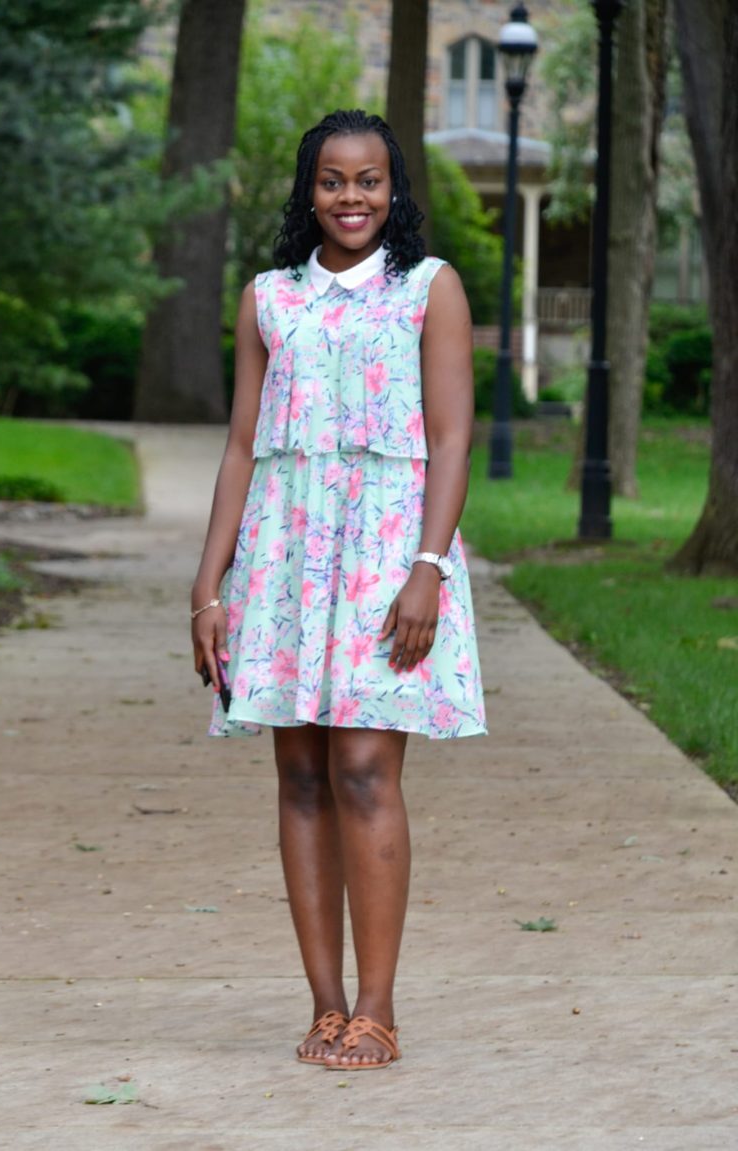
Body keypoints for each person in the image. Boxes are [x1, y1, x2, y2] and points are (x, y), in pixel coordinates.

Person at [190, 109, 486, 1071]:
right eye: (332, 180)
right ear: (308, 190)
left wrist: (428, 567)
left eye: (368, 180)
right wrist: (208, 586)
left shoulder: (429, 288)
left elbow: (452, 438)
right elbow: (243, 446)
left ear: (393, 189)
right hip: (285, 556)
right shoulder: (268, 298)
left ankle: (378, 1007)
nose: (350, 196)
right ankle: (324, 1006)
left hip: (387, 556)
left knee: (363, 766)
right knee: (302, 774)